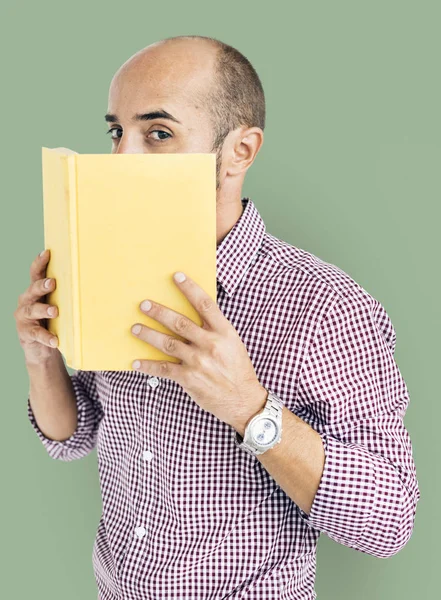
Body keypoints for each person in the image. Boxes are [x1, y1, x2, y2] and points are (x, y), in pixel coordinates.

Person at [15, 35, 420, 600]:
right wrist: (41, 358)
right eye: (116, 132)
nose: (122, 160)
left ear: (240, 151)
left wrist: (248, 406)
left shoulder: (327, 306)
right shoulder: (103, 268)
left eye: (158, 134)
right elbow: (74, 435)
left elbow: (389, 522)